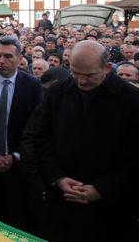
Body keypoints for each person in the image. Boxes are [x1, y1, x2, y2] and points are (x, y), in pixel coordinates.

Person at [33, 40, 139, 241]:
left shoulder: (131, 100)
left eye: (89, 75)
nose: (81, 81)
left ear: (107, 68)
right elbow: (42, 139)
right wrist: (57, 178)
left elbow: (134, 157)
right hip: (62, 202)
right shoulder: (57, 93)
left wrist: (102, 189)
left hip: (111, 209)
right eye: (75, 73)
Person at [0, 36, 43, 231]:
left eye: (7, 56)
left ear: (19, 58)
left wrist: (16, 155)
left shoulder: (32, 85)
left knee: (16, 220)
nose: (1, 61)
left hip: (19, 167)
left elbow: (36, 126)